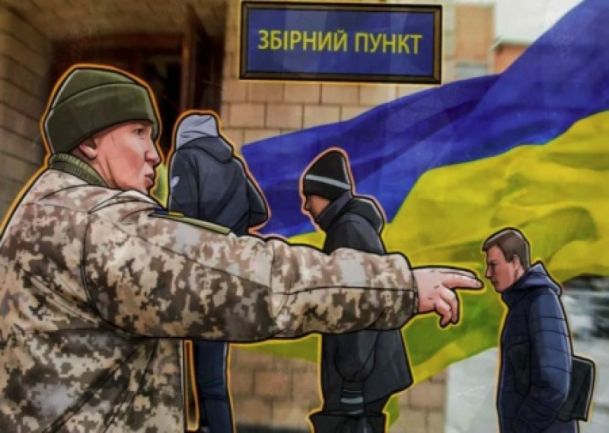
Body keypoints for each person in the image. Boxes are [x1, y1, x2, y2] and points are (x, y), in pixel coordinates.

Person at [0, 64, 481, 433]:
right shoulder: (97, 225)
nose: (154, 154)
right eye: (139, 133)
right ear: (89, 142)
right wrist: (399, 286)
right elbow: (253, 280)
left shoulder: (48, 209)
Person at [168, 112, 269, 433]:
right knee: (212, 371)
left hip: (197, 275)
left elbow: (180, 216)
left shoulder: (185, 157)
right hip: (229, 273)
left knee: (183, 366)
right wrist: (232, 228)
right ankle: (211, 426)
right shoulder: (234, 164)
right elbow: (260, 211)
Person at [301, 149, 413, 433]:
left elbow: (358, 307)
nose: (306, 206)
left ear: (326, 194)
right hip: (370, 369)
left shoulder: (348, 231)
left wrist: (352, 379)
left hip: (361, 374)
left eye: (309, 196)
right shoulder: (351, 226)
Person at [483, 228, 576, 433]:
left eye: (493, 265)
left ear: (515, 262)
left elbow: (554, 385)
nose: (488, 274)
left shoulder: (540, 302)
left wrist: (522, 427)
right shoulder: (525, 303)